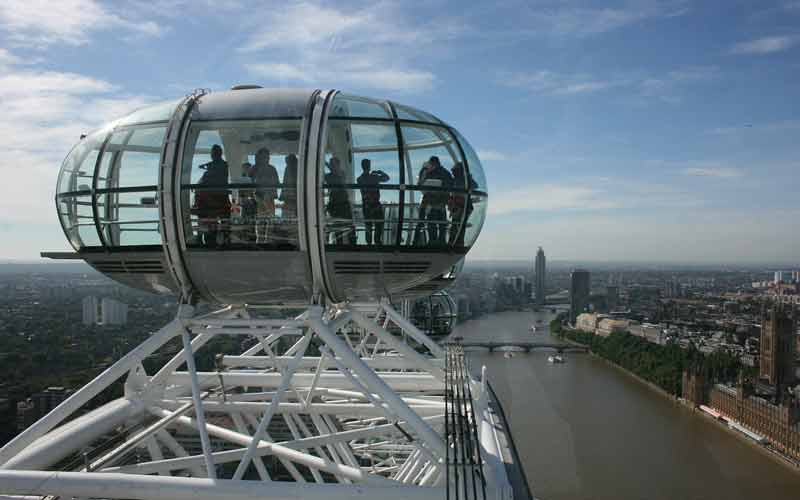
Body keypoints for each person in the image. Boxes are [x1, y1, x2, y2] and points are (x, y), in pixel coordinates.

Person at [194, 144, 230, 247]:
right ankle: (222, 236)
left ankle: (201, 237)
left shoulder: (219, 167)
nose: (213, 155)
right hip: (217, 200)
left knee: (206, 215)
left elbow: (203, 181)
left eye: (214, 153)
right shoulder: (222, 166)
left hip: (215, 200)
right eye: (213, 153)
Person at [416, 155, 453, 246]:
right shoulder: (446, 173)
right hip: (440, 204)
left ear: (433, 164)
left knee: (432, 224)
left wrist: (423, 171)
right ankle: (441, 242)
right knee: (441, 224)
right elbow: (450, 185)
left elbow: (419, 184)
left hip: (432, 203)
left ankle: (433, 242)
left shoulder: (429, 173)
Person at [356, 158, 390, 245]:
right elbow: (387, 178)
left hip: (366, 205)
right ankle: (377, 242)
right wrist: (380, 172)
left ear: (362, 166)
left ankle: (369, 244)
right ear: (369, 166)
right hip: (375, 204)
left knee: (368, 226)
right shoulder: (374, 177)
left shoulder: (359, 179)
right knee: (378, 225)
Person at [250, 148, 280, 244]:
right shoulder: (254, 169)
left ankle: (268, 243)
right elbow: (249, 183)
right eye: (264, 156)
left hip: (268, 199)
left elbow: (276, 183)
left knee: (269, 224)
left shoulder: (272, 169)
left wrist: (269, 194)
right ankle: (260, 243)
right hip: (257, 199)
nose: (266, 158)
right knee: (259, 224)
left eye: (267, 157)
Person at [324, 157, 356, 245]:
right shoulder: (327, 176)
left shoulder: (341, 173)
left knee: (350, 227)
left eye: (335, 164)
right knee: (338, 229)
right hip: (335, 205)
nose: (334, 166)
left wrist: (327, 164)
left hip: (344, 204)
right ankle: (340, 245)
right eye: (333, 164)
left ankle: (353, 246)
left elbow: (338, 174)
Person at [448, 162, 477, 246]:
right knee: (459, 225)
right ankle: (457, 242)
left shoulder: (459, 180)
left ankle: (454, 242)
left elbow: (473, 186)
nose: (453, 173)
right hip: (462, 206)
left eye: (454, 171)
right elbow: (474, 186)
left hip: (461, 206)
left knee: (456, 225)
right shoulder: (465, 179)